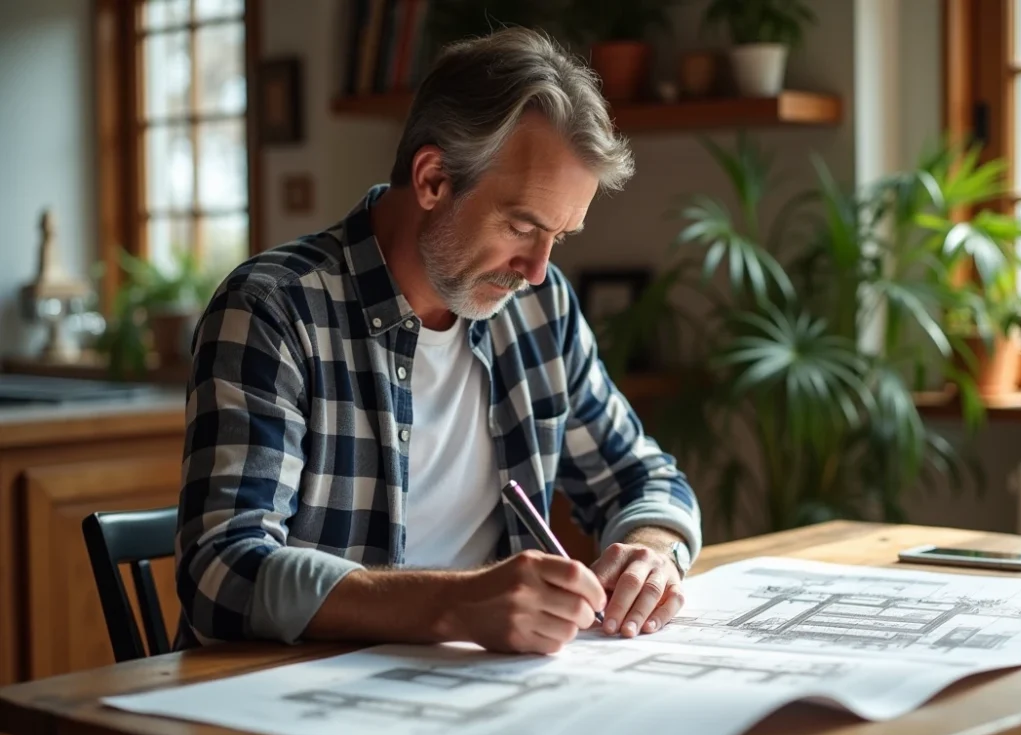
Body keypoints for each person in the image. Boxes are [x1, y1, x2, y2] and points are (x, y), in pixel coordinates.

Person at [174, 27, 701, 656]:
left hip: (480, 695)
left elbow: (641, 476)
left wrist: (652, 552)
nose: (536, 269)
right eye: (521, 226)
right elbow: (219, 572)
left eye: (559, 237)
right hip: (301, 702)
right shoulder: (273, 311)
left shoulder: (541, 307)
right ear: (432, 179)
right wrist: (454, 604)